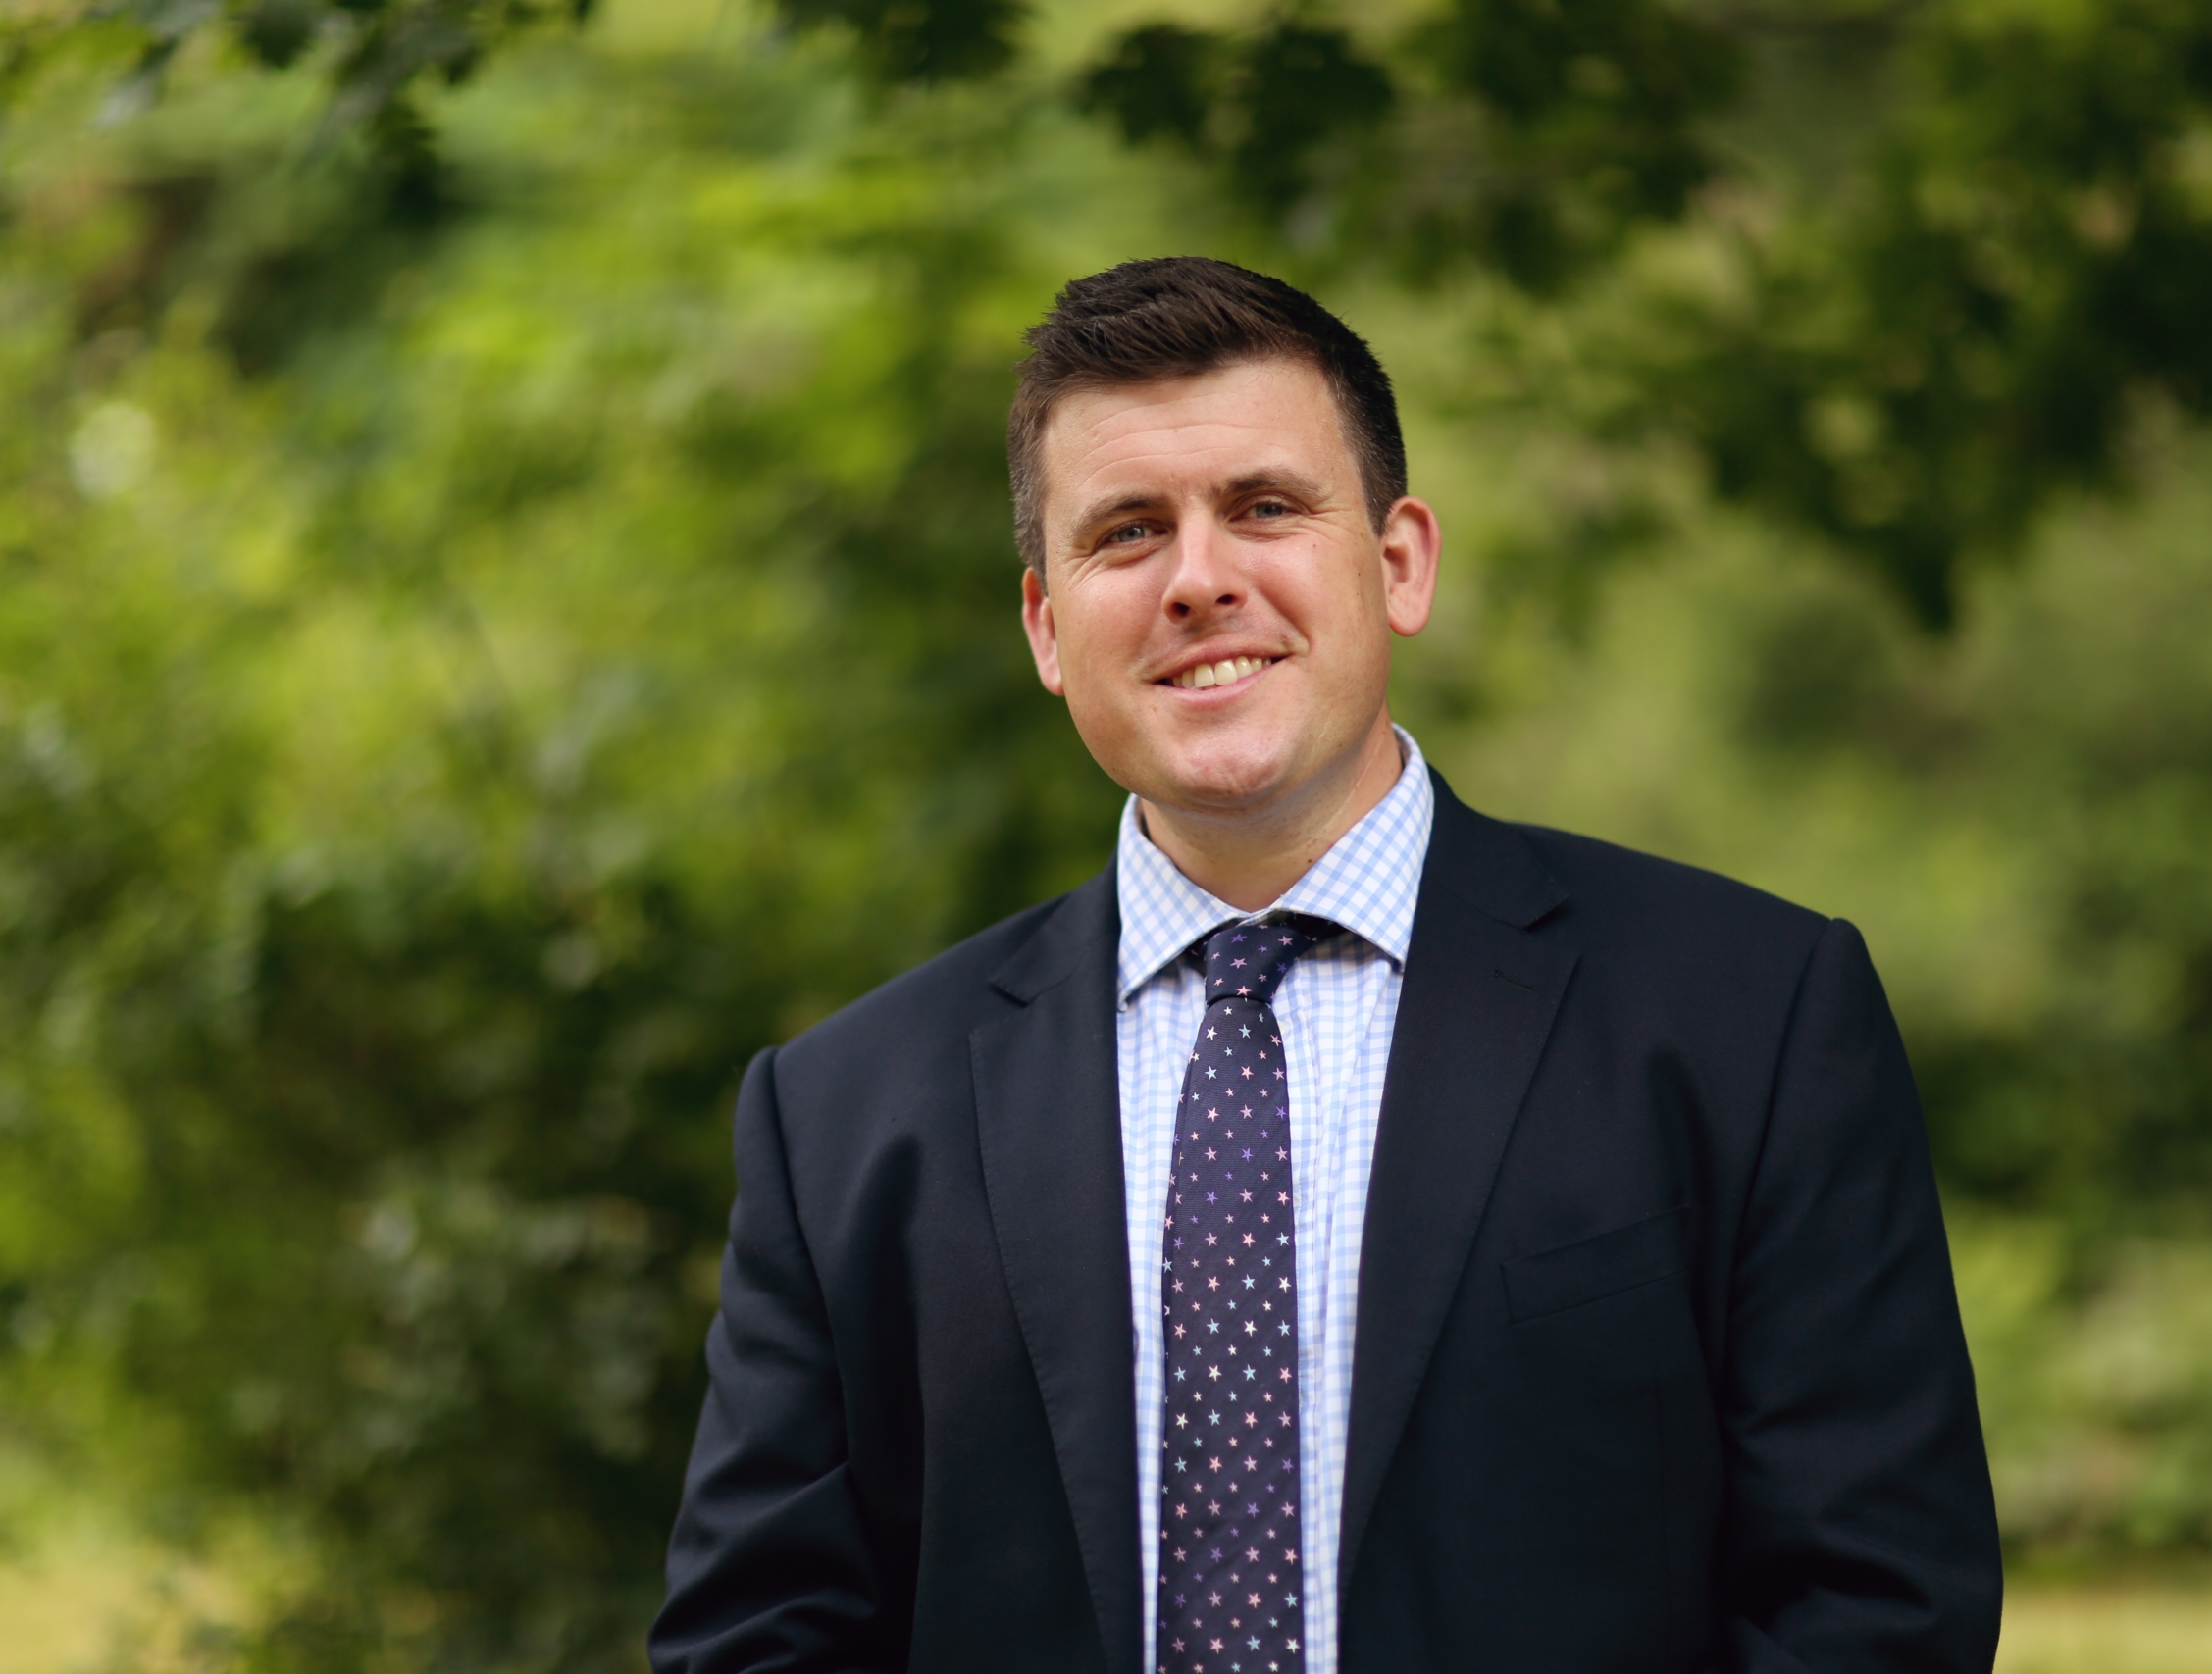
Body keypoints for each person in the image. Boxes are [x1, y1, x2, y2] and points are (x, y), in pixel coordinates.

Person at [649, 257, 2000, 1674]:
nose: (1201, 580)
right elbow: (758, 1641)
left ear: (1400, 561)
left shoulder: (1751, 1018)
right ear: (1048, 627)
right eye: (1125, 534)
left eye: (1265, 508)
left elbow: (1880, 1606)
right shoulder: (844, 1117)